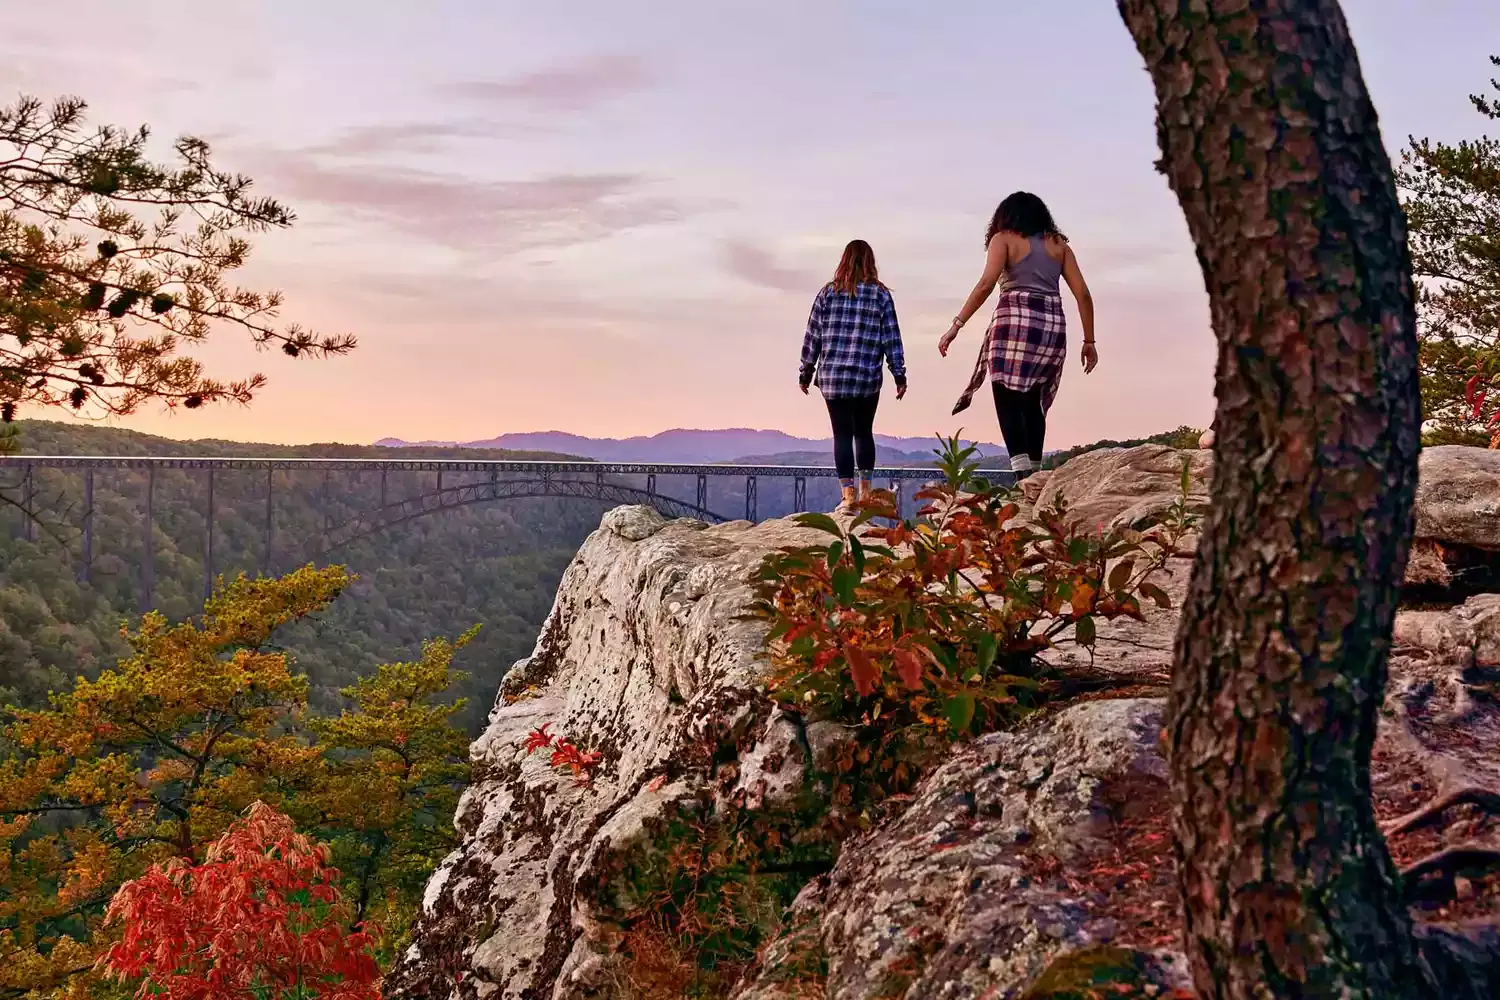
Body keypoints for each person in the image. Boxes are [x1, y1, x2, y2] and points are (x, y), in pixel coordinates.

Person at [938, 192, 1096, 479]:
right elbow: (1083, 294)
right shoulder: (1059, 246)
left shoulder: (1003, 239)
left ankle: (1022, 478)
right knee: (1033, 401)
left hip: (1013, 322)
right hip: (1050, 327)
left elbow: (986, 284)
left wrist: (956, 325)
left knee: (1007, 397)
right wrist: (1089, 341)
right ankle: (1035, 476)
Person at [798, 239, 907, 510]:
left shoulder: (827, 294)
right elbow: (891, 337)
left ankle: (847, 496)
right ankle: (866, 492)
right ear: (871, 262)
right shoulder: (881, 295)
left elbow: (813, 336)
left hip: (834, 379)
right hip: (866, 377)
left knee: (842, 436)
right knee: (864, 433)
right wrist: (899, 374)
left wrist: (806, 371)